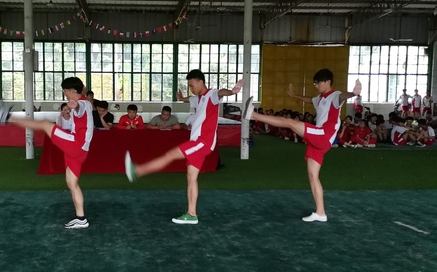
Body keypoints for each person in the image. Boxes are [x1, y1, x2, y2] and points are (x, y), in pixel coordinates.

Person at [125, 70, 243, 225]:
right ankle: (192, 214)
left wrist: (232, 91)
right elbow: (189, 99)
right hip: (199, 142)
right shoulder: (197, 98)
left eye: (192, 85)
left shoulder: (211, 95)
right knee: (191, 177)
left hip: (202, 142)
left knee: (170, 155)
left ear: (200, 82)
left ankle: (138, 171)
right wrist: (181, 98)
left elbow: (221, 92)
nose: (191, 88)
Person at [243, 69, 361, 223]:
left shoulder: (335, 96)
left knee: (289, 123)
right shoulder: (319, 98)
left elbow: (343, 96)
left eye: (317, 83)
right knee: (312, 175)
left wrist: (353, 93)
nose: (316, 86)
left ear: (327, 82)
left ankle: (252, 115)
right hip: (318, 139)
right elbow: (309, 100)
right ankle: (321, 213)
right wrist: (295, 96)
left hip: (323, 134)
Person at [0, 77, 93, 229]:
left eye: (65, 91)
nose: (64, 93)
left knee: (45, 124)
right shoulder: (84, 102)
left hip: (77, 144)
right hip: (81, 150)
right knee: (71, 183)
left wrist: (75, 106)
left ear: (71, 91)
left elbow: (79, 107)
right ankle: (81, 218)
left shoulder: (83, 103)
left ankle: (8, 117)